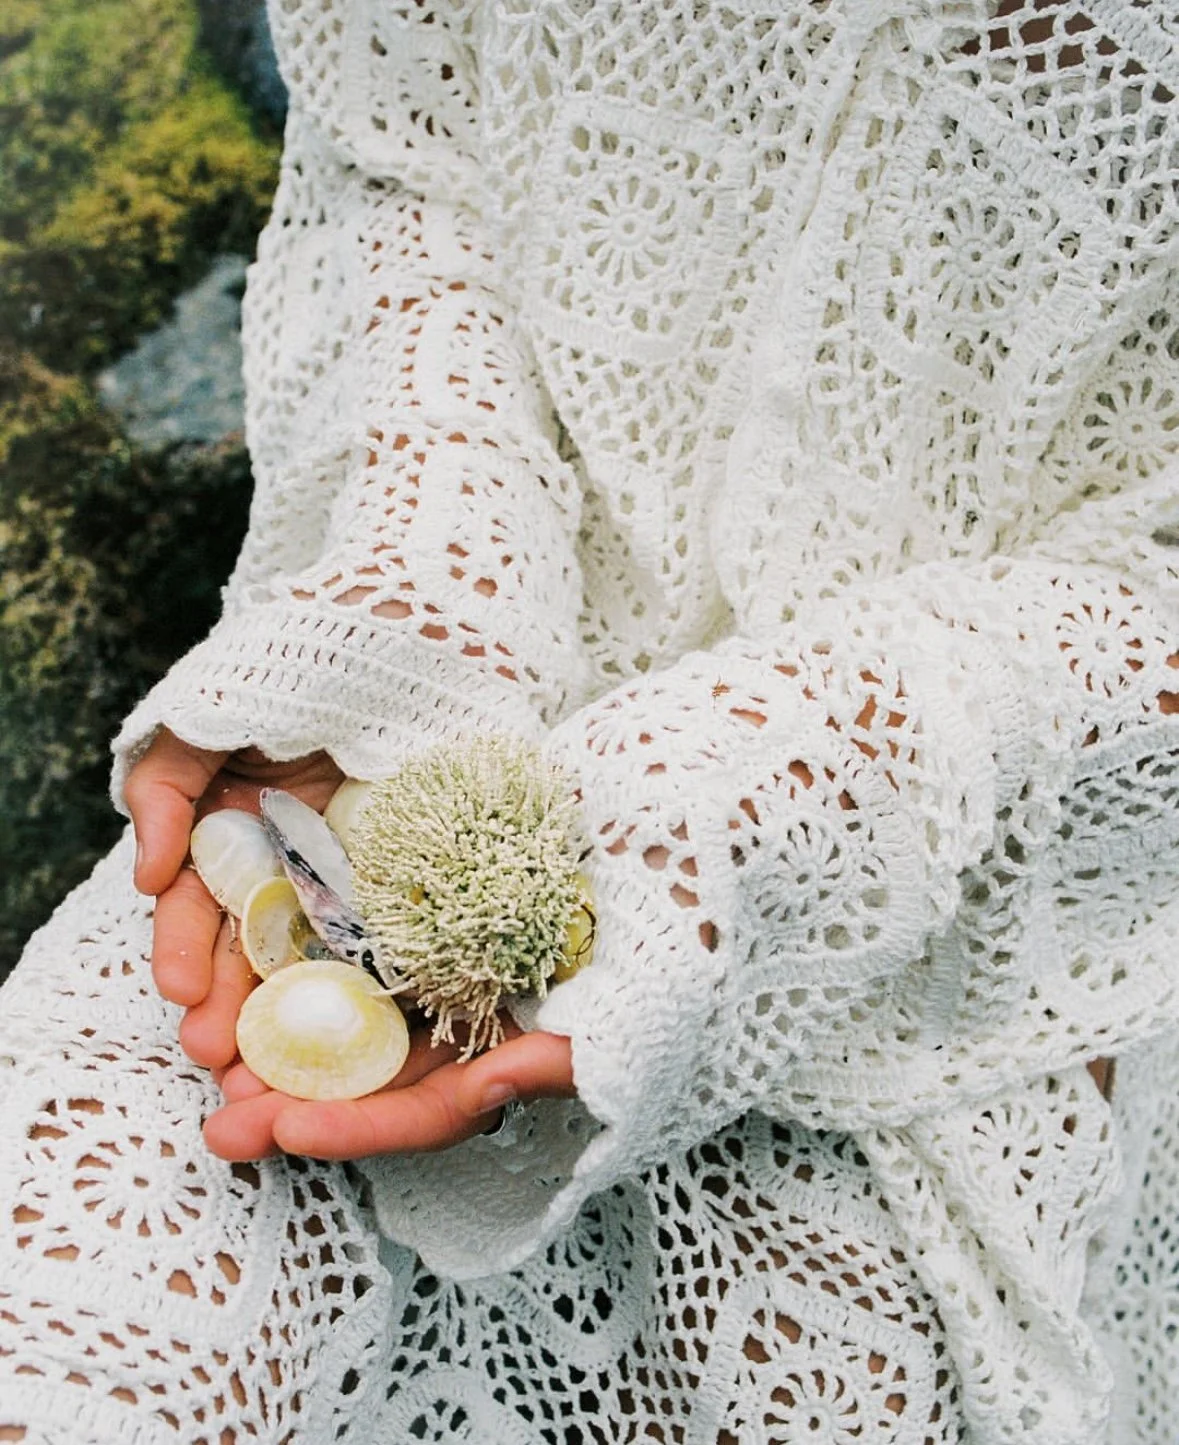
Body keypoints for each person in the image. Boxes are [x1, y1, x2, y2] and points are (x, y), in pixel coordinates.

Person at [3, 1, 1178, 1439]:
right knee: (80, 1321)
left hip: (959, 905)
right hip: (413, 767)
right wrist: (419, 596)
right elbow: (413, 158)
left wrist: (747, 790)